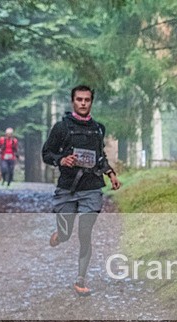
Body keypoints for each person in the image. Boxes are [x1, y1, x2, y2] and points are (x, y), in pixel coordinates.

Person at [42, 85, 121, 297]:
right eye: (79, 99)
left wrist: (111, 173)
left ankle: (80, 279)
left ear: (91, 102)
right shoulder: (61, 128)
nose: (83, 103)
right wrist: (61, 159)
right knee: (67, 235)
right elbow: (46, 153)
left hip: (92, 188)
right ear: (73, 102)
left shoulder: (98, 129)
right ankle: (61, 234)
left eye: (87, 99)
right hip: (67, 188)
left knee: (85, 233)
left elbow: (99, 156)